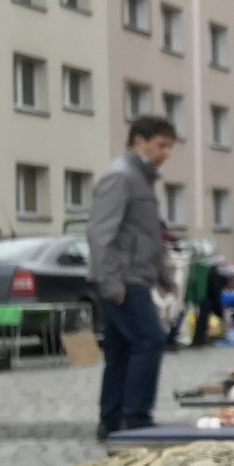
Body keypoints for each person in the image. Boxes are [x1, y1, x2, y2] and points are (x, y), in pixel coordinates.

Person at [87, 115, 178, 439]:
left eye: (169, 146)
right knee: (149, 341)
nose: (166, 153)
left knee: (121, 351)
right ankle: (136, 420)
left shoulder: (140, 179)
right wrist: (110, 281)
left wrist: (164, 274)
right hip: (125, 280)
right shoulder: (122, 177)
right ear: (139, 141)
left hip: (133, 276)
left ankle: (112, 421)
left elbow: (148, 233)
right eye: (161, 145)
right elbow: (100, 232)